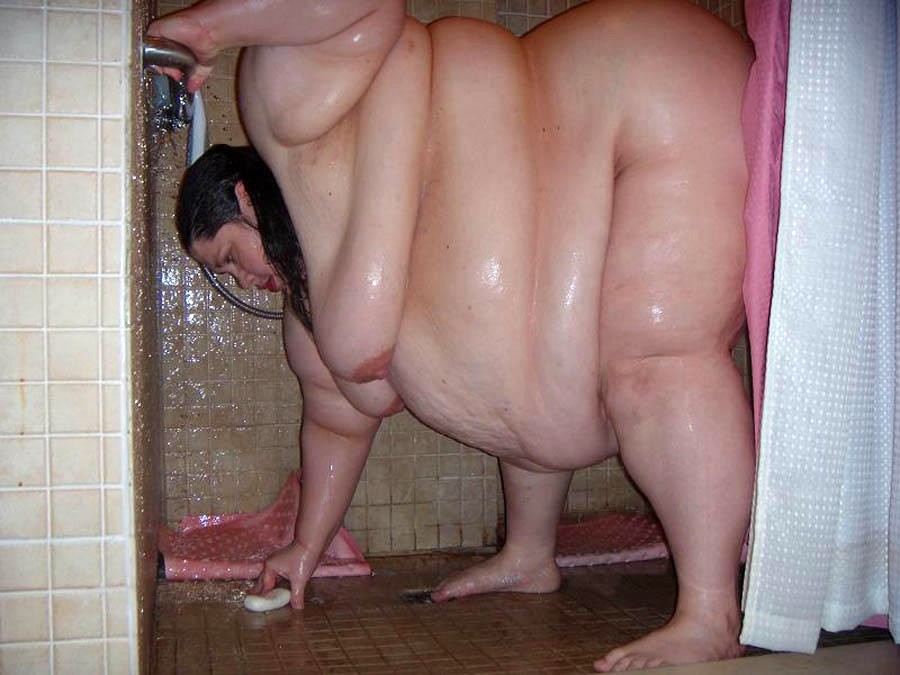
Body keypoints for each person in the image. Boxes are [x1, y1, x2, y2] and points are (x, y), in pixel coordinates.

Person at [147, 0, 755, 670]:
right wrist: (305, 548)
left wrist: (212, 28)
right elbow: (336, 429)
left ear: (242, 195)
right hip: (590, 163)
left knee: (656, 354)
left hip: (641, 89)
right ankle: (529, 554)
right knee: (520, 366)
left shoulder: (292, 116)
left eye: (229, 258)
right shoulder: (314, 310)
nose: (241, 280)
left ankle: (711, 613)